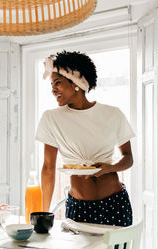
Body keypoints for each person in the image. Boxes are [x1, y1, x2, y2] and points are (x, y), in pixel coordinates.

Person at [36, 51, 135, 228]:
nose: (53, 90)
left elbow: (128, 158)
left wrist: (109, 168)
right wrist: (44, 214)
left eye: (57, 83)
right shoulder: (51, 119)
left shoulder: (112, 114)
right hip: (79, 208)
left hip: (116, 204)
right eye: (52, 85)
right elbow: (48, 168)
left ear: (76, 83)